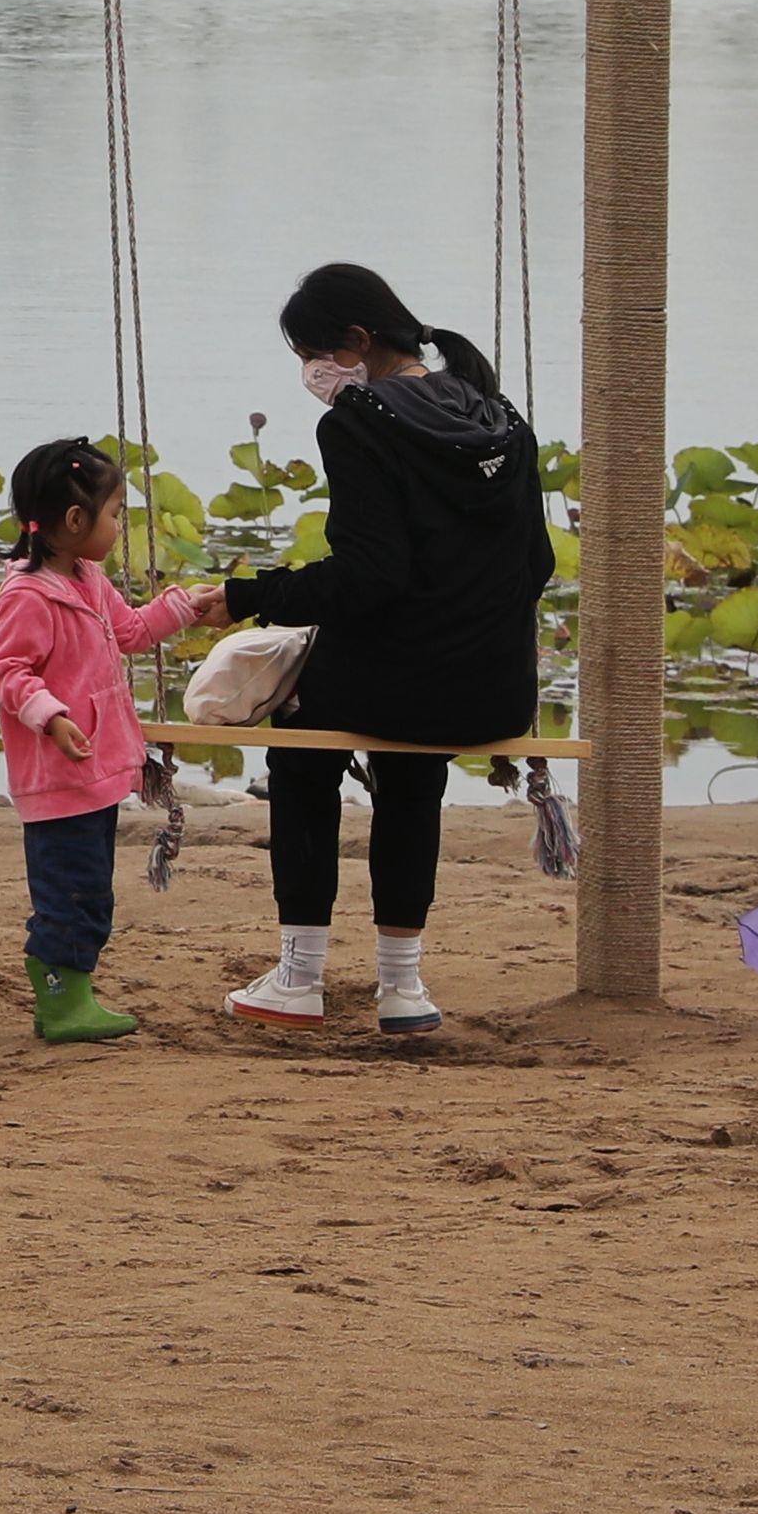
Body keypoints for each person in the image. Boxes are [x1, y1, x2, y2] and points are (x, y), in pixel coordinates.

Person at [206, 259, 555, 1037]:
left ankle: (298, 976)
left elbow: (369, 575)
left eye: (311, 355)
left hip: (403, 684)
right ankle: (402, 986)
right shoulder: (499, 414)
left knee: (299, 748)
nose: (310, 373)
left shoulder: (358, 421)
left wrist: (244, 596)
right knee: (411, 763)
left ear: (357, 340)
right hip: (493, 689)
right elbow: (538, 564)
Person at [0, 436, 217, 1047]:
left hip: (95, 776)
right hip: (58, 779)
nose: (119, 526)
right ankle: (62, 1000)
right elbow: (8, 672)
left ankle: (68, 993)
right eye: (116, 514)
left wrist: (185, 606)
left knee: (91, 892)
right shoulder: (28, 596)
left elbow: (132, 632)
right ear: (74, 519)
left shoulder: (87, 579)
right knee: (72, 895)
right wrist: (52, 716)